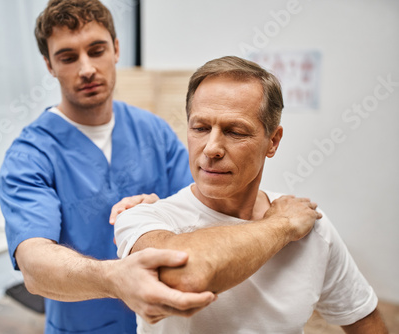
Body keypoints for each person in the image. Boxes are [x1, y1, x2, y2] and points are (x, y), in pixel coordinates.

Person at [0, 0, 322, 332]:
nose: (86, 69)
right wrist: (115, 278)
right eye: (67, 57)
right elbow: (34, 264)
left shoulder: (152, 131)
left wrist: (164, 208)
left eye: (96, 50)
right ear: (49, 65)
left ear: (116, 48)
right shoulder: (30, 155)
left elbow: (205, 211)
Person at [115, 56, 389, 333]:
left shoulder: (312, 229)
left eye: (235, 132)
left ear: (273, 141)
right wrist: (280, 226)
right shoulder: (144, 218)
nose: (211, 148)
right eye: (200, 128)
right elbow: (185, 277)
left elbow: (365, 321)